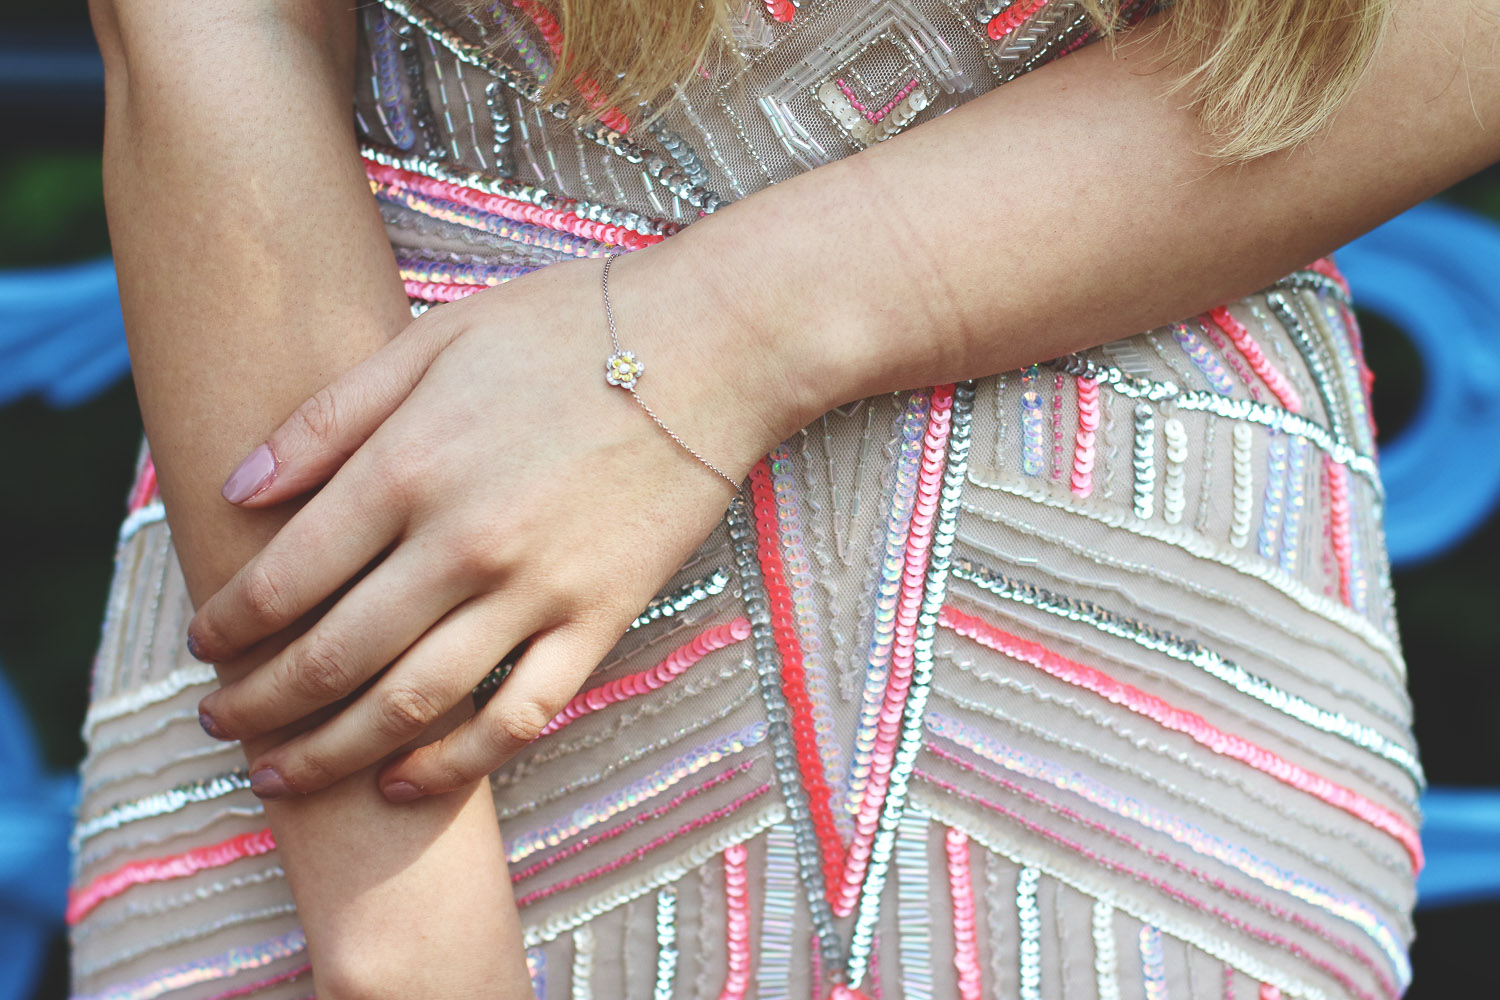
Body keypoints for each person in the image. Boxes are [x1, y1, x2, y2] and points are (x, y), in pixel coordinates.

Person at [71, 1, 1498, 998]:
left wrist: (725, 333)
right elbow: (210, 31)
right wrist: (399, 931)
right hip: (390, 580)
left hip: (1129, 693)